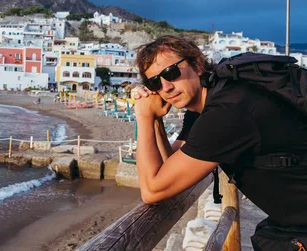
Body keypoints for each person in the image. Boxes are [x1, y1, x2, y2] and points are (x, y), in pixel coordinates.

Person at [132, 35, 307, 250]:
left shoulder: (226, 113)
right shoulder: (211, 100)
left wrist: (144, 117)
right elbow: (174, 164)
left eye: (171, 73)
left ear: (196, 64)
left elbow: (152, 191)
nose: (166, 87)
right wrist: (156, 119)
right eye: (154, 82)